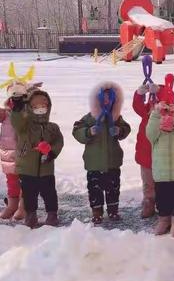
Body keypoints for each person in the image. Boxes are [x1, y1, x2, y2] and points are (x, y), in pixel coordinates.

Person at [73, 82, 131, 224]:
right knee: (95, 189)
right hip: (94, 163)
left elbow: (126, 128)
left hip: (112, 162)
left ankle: (113, 210)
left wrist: (119, 131)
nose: (106, 101)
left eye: (109, 98)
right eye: (103, 98)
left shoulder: (116, 118)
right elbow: (77, 131)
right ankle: (97, 211)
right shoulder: (89, 118)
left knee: (113, 188)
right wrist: (88, 132)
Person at [11, 89, 64, 228]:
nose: (40, 109)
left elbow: (59, 141)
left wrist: (51, 152)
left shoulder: (52, 127)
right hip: (27, 167)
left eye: (43, 106)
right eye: (35, 107)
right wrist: (17, 107)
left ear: (48, 107)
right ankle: (31, 215)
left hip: (46, 167)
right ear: (30, 108)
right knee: (29, 194)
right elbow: (16, 121)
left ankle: (52, 215)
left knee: (49, 192)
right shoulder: (25, 126)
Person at [146, 74, 174, 237]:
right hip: (161, 173)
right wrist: (156, 114)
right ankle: (164, 219)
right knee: (162, 198)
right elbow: (149, 133)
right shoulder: (156, 130)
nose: (166, 112)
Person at [132, 81, 164, 218]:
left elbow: (169, 97)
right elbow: (137, 106)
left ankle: (163, 205)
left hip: (162, 157)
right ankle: (148, 203)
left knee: (162, 183)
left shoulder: (165, 116)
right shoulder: (145, 113)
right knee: (148, 183)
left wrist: (159, 91)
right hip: (145, 157)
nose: (153, 109)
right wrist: (138, 94)